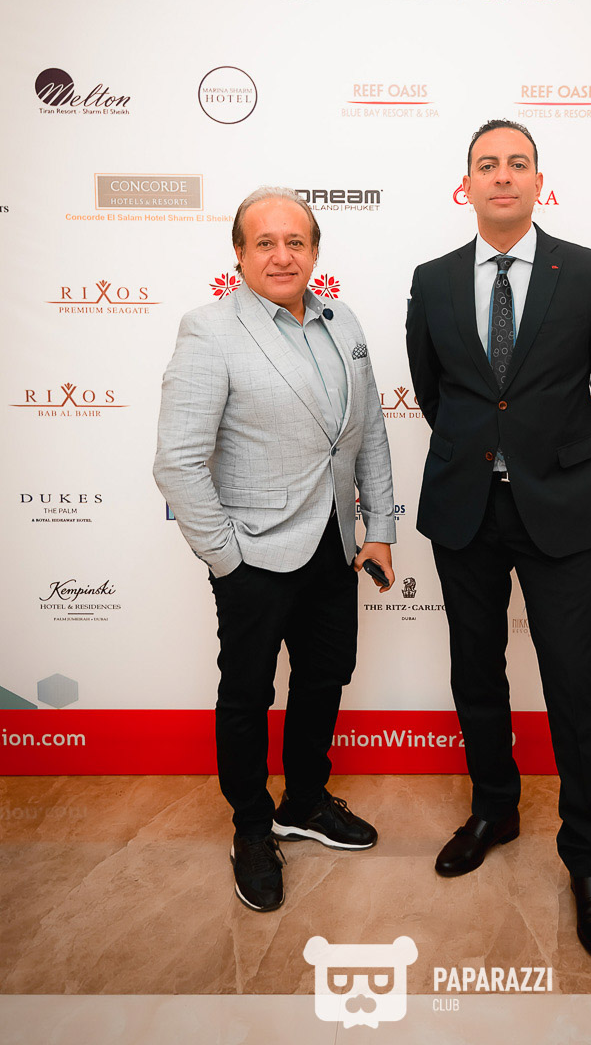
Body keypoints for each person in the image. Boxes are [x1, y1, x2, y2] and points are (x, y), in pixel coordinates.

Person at [405, 122, 591, 960]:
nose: (501, 176)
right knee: (476, 670)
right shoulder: (432, 279)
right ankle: (493, 810)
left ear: (539, 180)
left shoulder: (589, 271)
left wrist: (554, 460)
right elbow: (435, 394)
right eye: (486, 165)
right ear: (465, 184)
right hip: (464, 509)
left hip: (559, 510)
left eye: (516, 164)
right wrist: (486, 456)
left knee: (574, 680)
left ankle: (588, 858)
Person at [154, 186, 395, 912]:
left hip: (334, 545)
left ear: (315, 252)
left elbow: (368, 433)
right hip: (253, 554)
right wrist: (226, 559)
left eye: (295, 242)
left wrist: (378, 530)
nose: (281, 255)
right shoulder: (208, 330)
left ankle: (305, 801)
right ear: (239, 253)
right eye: (265, 242)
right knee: (247, 694)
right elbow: (178, 462)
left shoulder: (343, 321)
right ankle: (253, 827)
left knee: (325, 677)